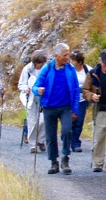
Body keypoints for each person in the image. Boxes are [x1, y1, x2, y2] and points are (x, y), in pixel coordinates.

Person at [33, 43, 80, 175]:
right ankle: (54, 162)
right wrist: (38, 90)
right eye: (65, 55)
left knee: (67, 131)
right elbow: (36, 86)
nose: (68, 57)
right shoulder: (47, 68)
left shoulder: (70, 69)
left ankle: (65, 157)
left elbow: (76, 90)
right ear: (56, 56)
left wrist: (75, 110)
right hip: (49, 107)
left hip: (65, 107)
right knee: (50, 136)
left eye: (68, 54)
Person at [18, 50, 46, 151]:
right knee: (32, 121)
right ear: (34, 62)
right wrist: (26, 88)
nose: (41, 64)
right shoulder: (27, 69)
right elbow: (21, 84)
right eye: (39, 62)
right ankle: (33, 145)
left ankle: (41, 140)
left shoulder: (46, 69)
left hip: (43, 98)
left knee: (43, 120)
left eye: (42, 62)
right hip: (30, 98)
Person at [70, 50, 89, 152]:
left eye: (74, 60)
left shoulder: (87, 70)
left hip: (82, 100)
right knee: (69, 121)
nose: (72, 62)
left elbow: (92, 82)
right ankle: (68, 138)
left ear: (80, 62)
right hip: (69, 99)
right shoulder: (68, 69)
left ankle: (75, 142)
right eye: (71, 60)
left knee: (79, 121)